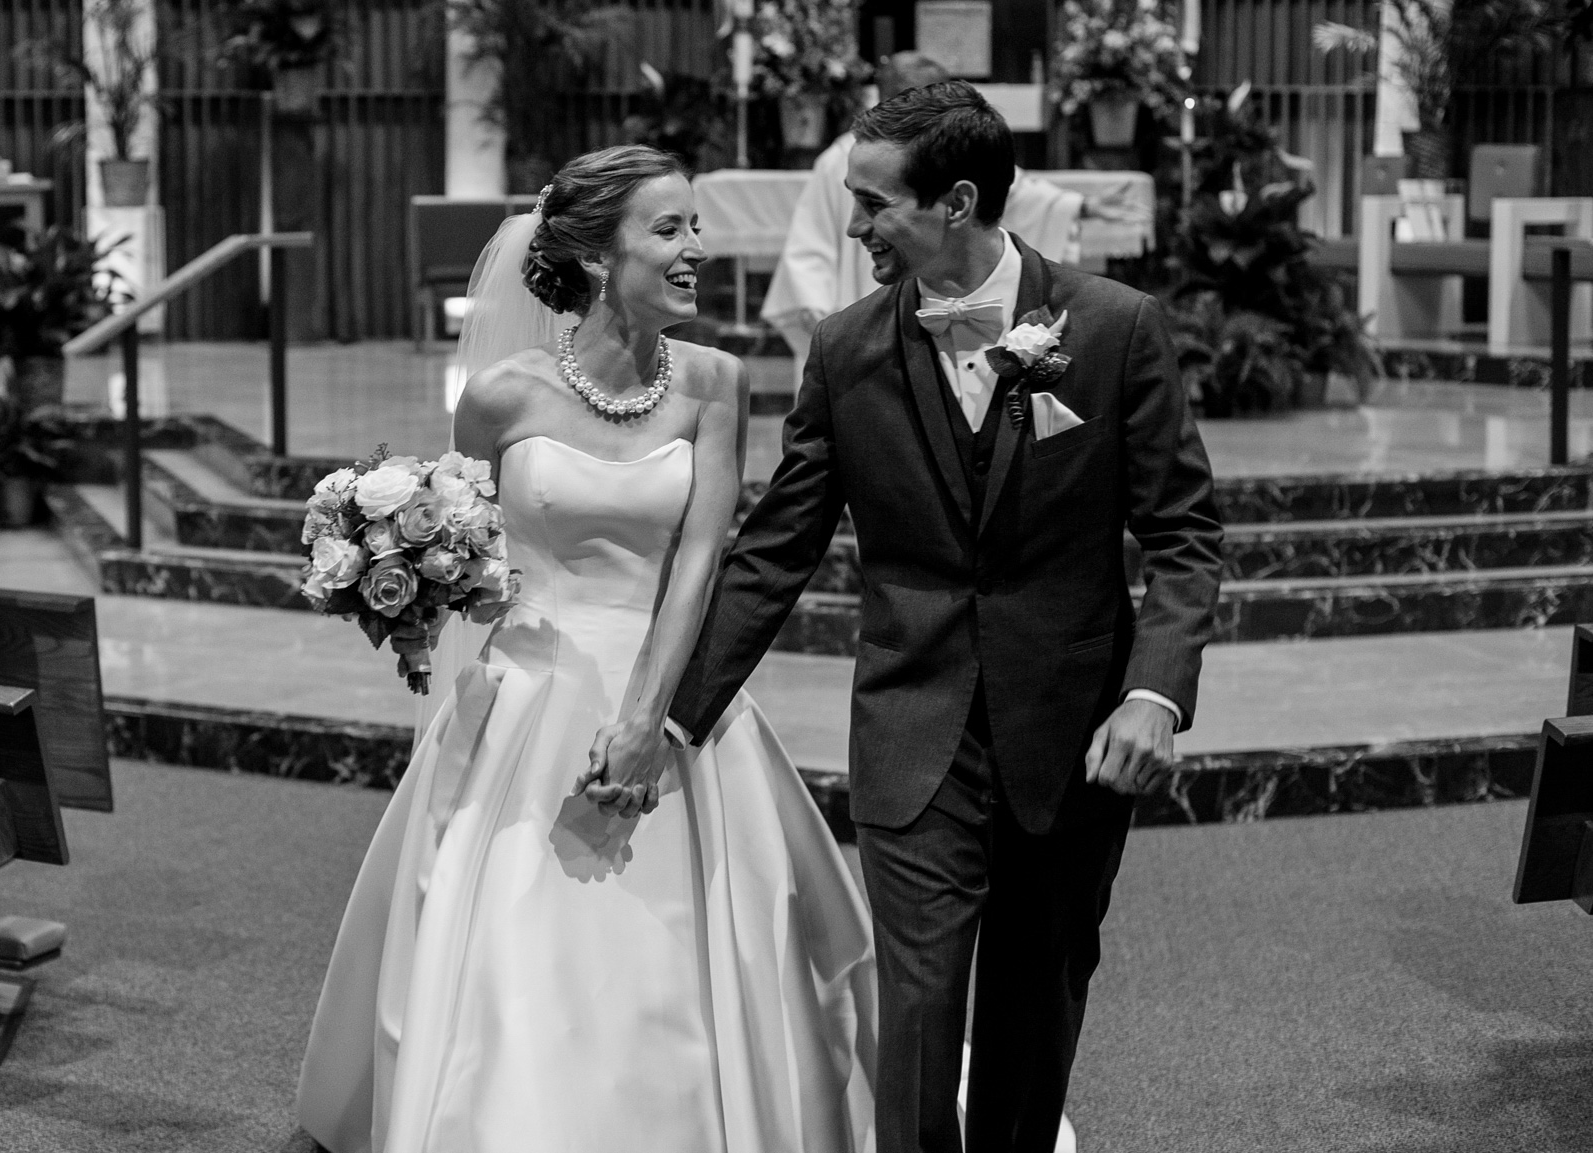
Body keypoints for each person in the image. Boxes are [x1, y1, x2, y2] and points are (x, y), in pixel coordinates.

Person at [665, 82, 1224, 1153]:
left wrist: (1153, 690)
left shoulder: (1112, 330)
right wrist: (673, 717)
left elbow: (1184, 534)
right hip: (911, 726)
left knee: (1036, 995)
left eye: (873, 204)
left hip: (1069, 735)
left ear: (955, 201)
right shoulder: (843, 350)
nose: (854, 225)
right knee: (917, 1009)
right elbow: (775, 547)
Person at [295, 145, 877, 1153]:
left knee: (688, 955)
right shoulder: (501, 395)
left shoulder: (715, 382)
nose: (698, 247)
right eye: (670, 229)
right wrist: (408, 593)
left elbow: (702, 561)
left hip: (668, 695)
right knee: (512, 952)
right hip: (524, 693)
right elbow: (460, 526)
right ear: (600, 257)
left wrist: (649, 721)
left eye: (696, 225)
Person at [762, 53, 1083, 385]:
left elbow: (1015, 188)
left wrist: (1078, 205)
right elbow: (810, 248)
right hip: (865, 330)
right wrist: (830, 331)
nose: (855, 227)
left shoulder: (956, 153)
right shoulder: (840, 159)